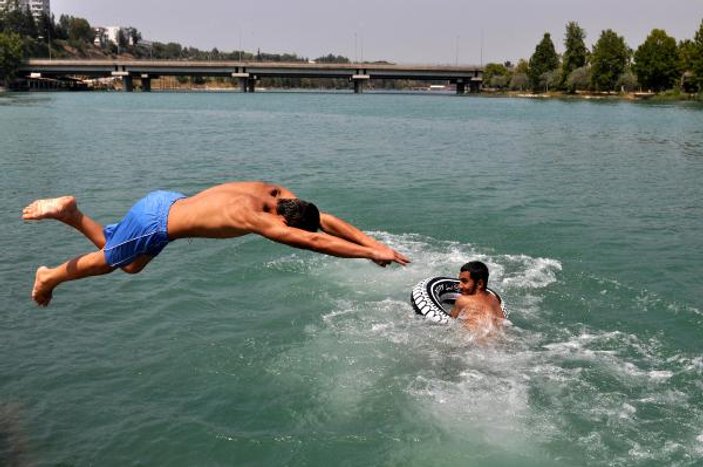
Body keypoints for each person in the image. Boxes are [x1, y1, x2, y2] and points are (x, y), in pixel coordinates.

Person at [23, 181, 410, 306]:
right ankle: (49, 277)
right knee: (110, 260)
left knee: (131, 262)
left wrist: (373, 243)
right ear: (281, 219)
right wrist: (368, 254)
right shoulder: (257, 219)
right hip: (158, 222)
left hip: (164, 202)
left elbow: (321, 221)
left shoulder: (275, 193)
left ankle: (71, 214)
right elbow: (313, 240)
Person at [450, 261, 504, 331]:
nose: (459, 286)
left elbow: (450, 321)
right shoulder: (494, 299)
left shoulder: (463, 300)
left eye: (464, 281)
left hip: (473, 341)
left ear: (479, 284)